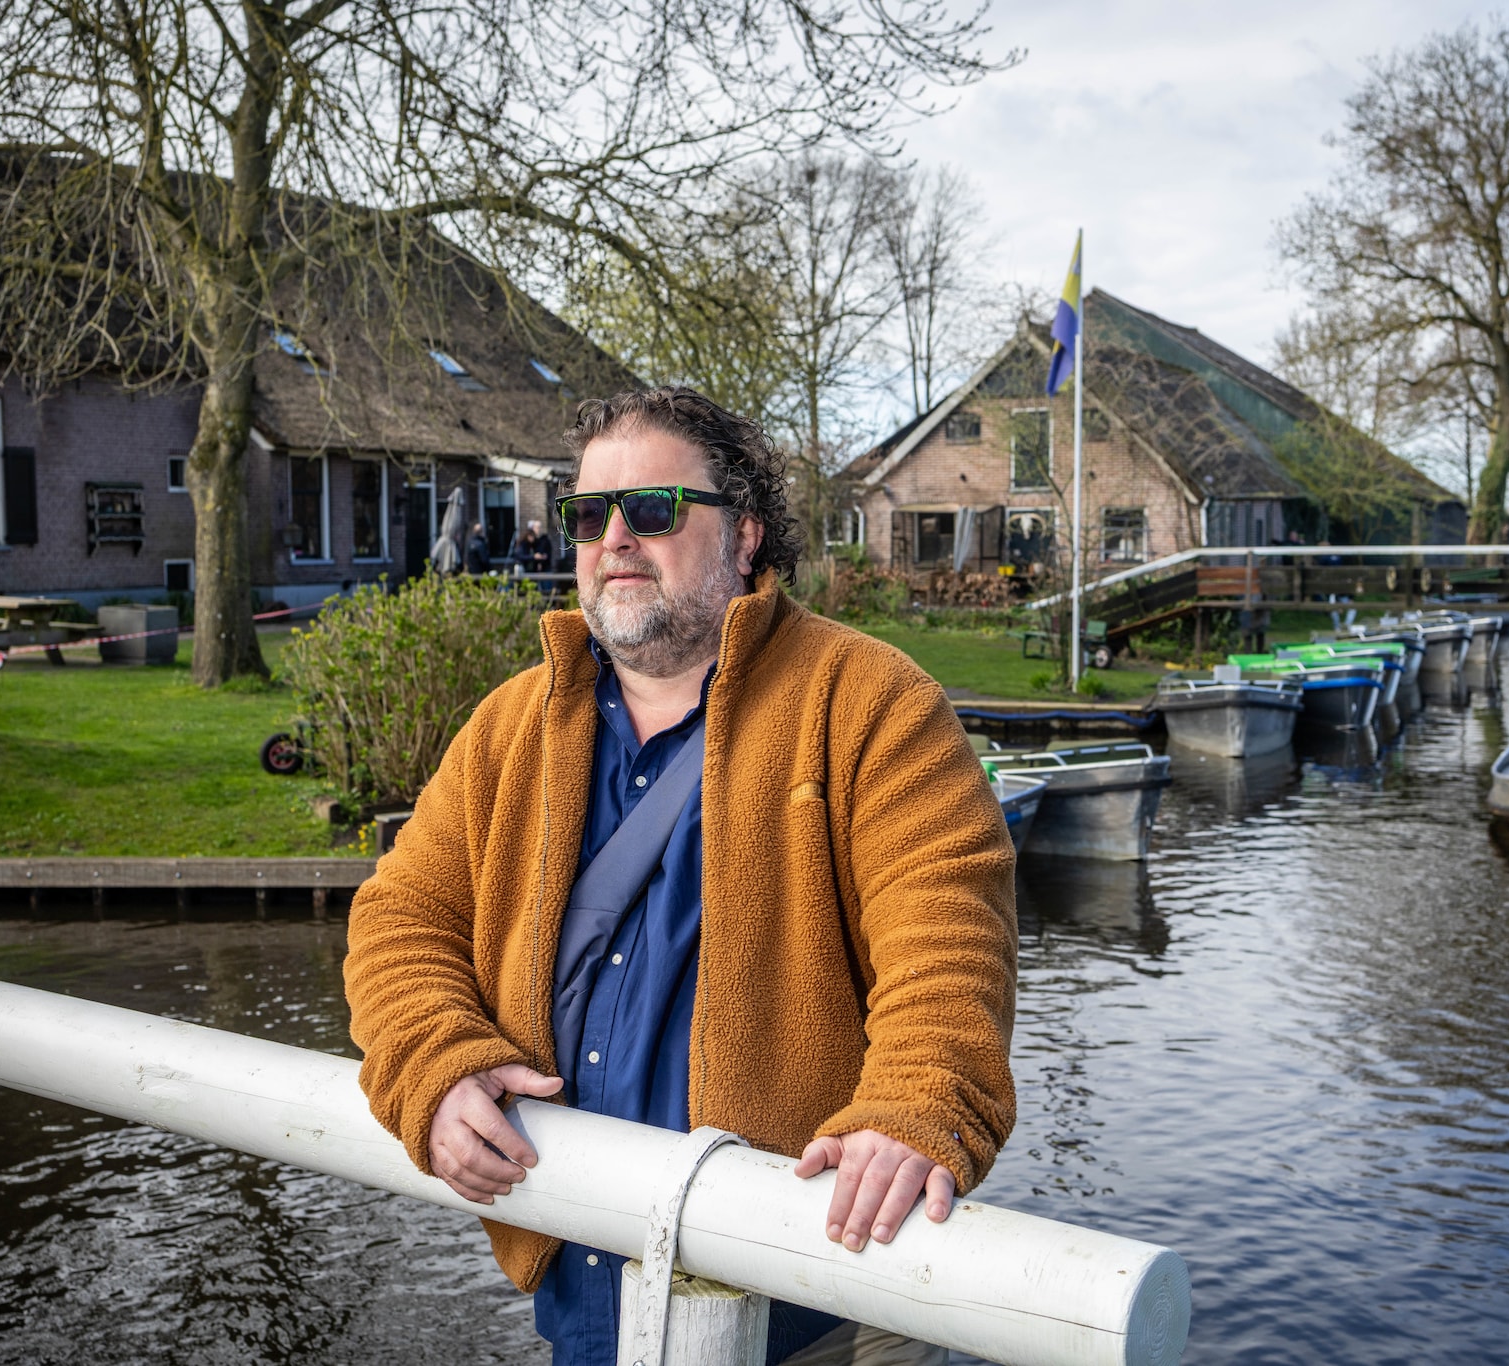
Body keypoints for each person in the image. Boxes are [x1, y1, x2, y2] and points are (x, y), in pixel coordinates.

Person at [344, 387, 1017, 1366]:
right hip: (582, 1292)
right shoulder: (506, 729)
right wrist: (431, 1066)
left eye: (651, 509)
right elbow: (399, 916)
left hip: (810, 1296)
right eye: (586, 515)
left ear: (744, 534)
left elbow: (945, 930)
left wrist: (915, 1099)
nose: (613, 537)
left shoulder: (870, 702)